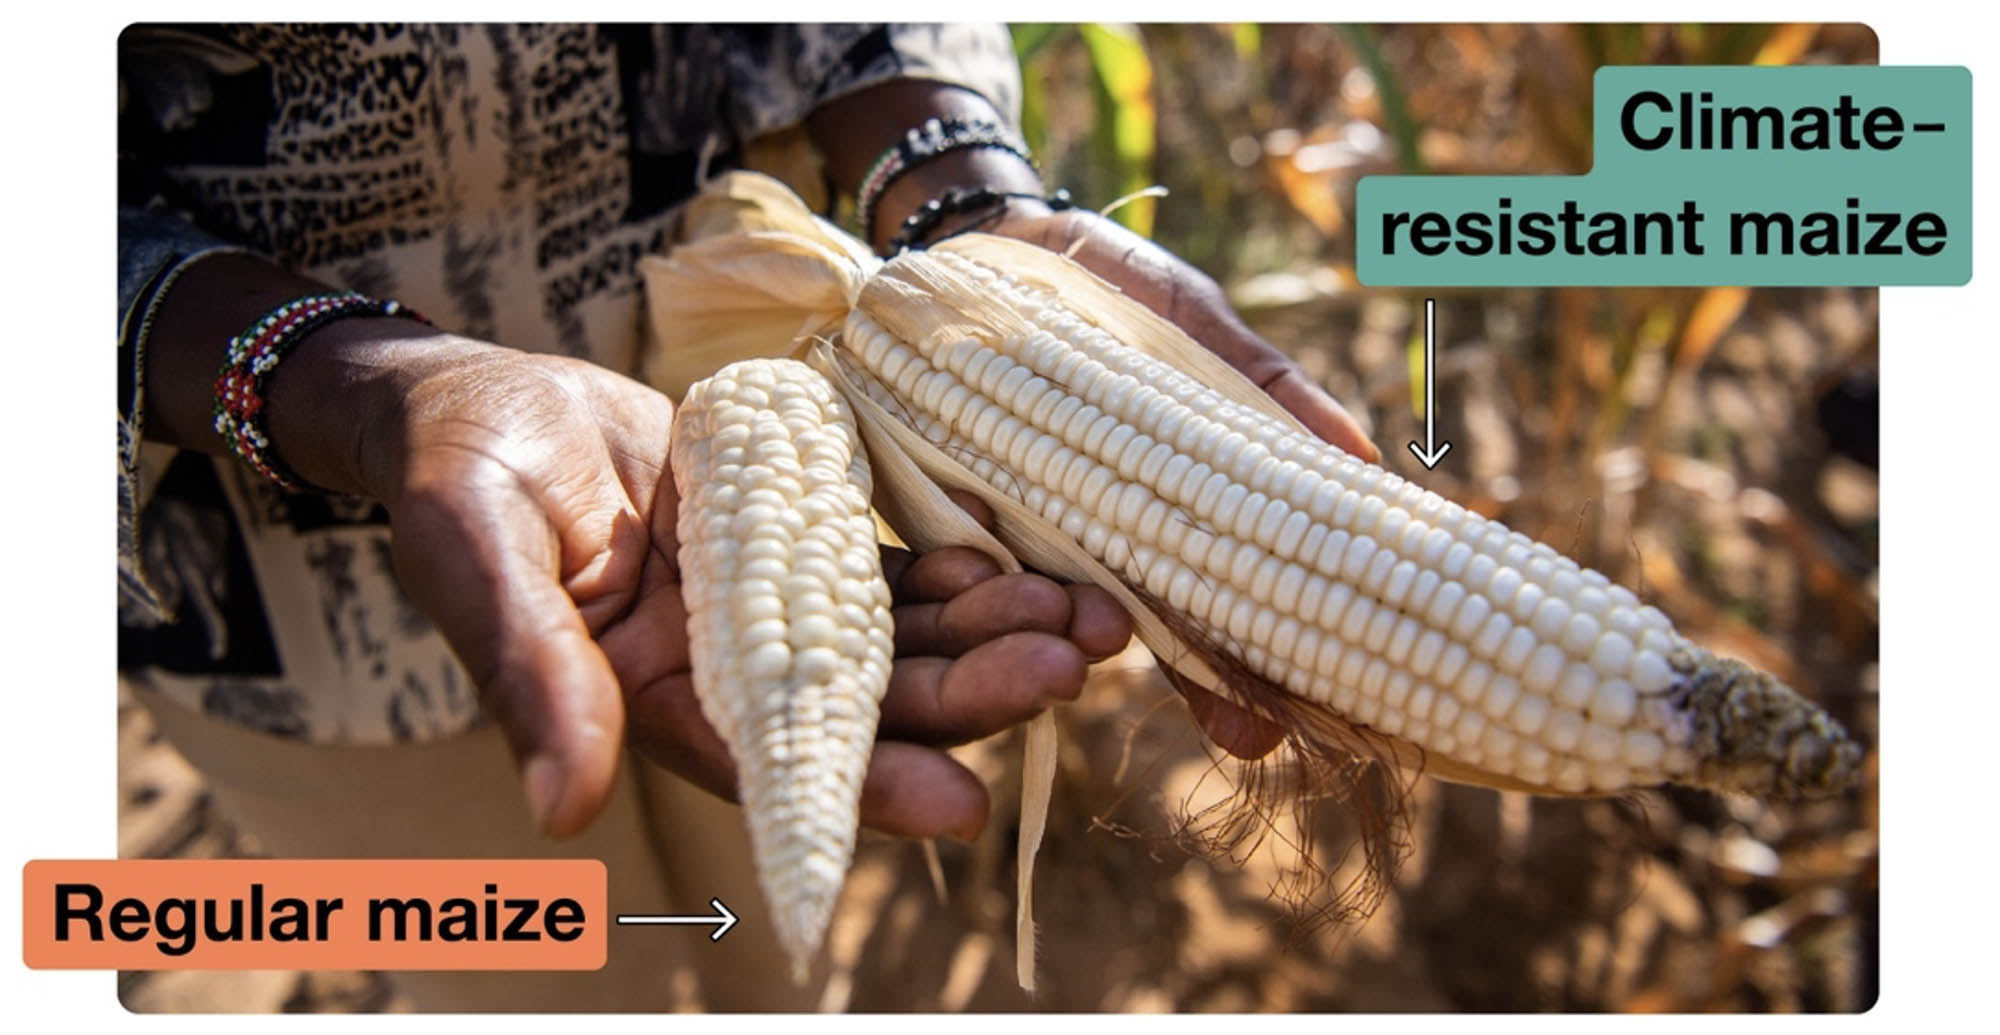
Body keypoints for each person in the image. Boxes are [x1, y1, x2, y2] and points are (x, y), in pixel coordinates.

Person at [118, 23, 1377, 1009]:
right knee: (541, 988)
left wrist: (949, 184)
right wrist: (352, 391)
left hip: (743, 402)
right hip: (292, 615)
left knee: (778, 946)